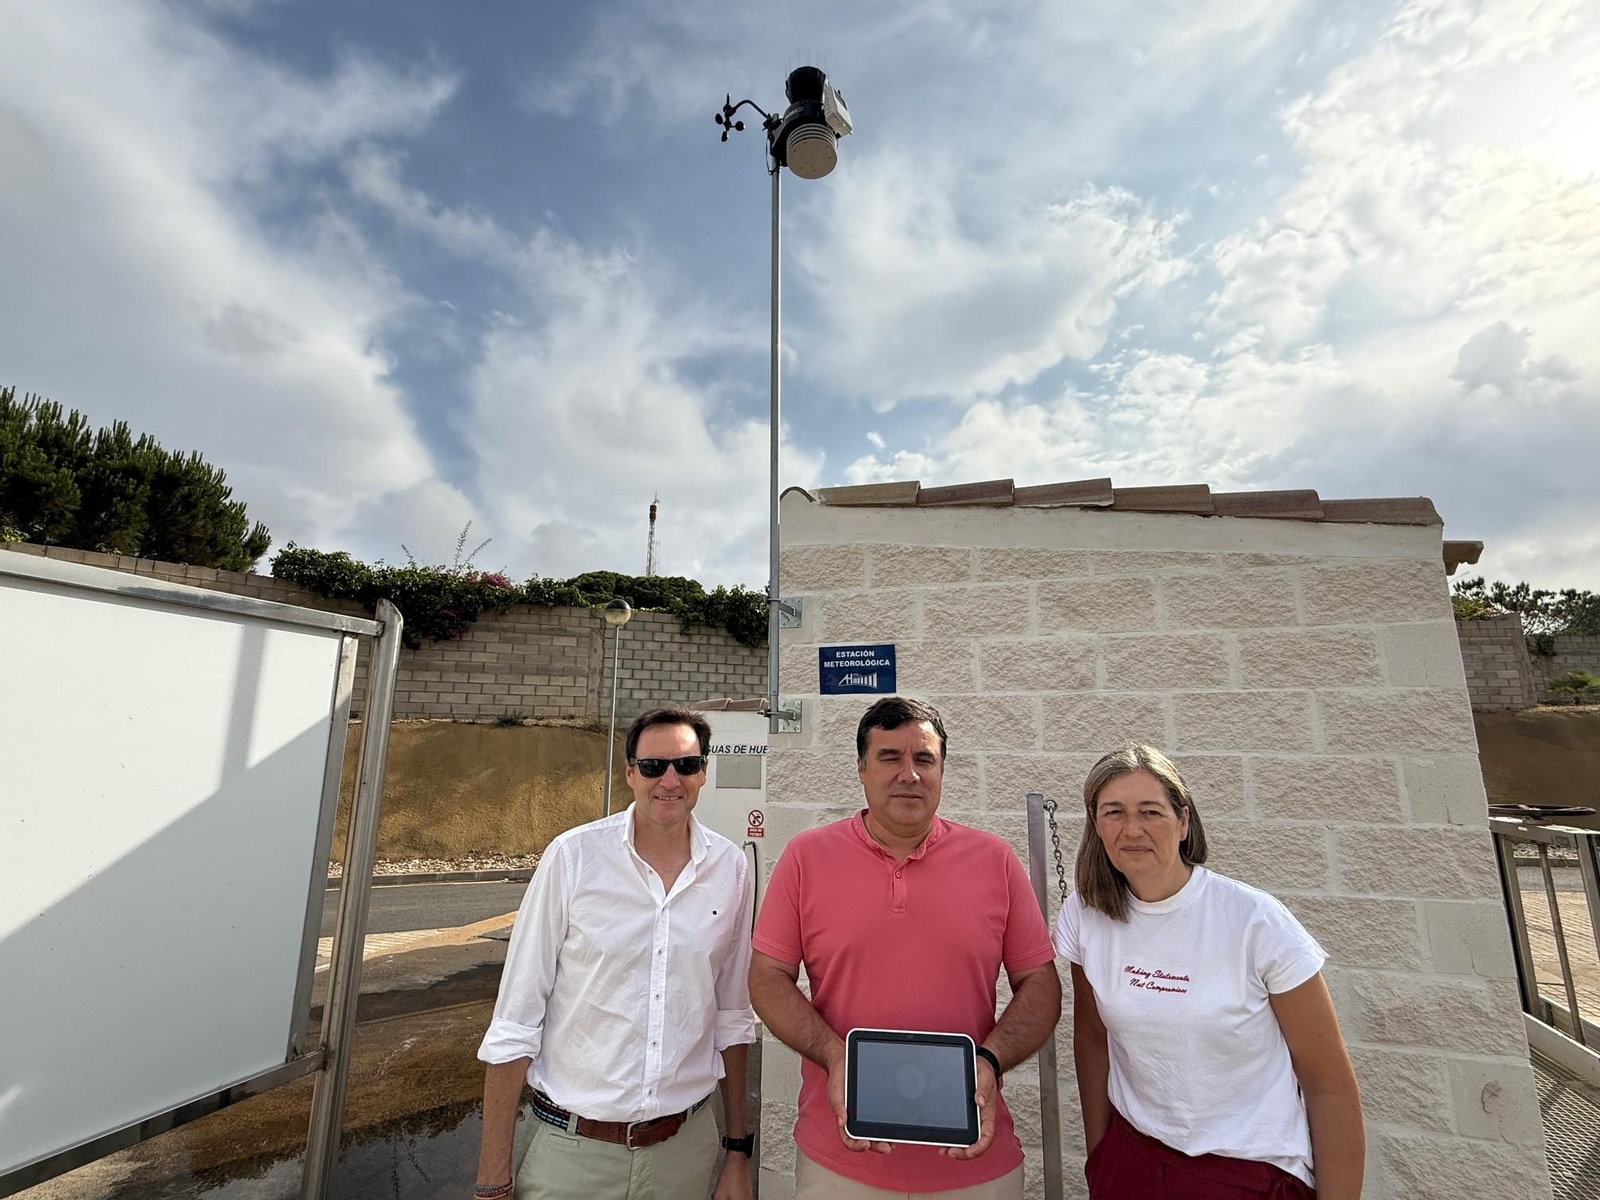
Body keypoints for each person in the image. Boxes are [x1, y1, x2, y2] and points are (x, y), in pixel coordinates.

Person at [750, 696, 1062, 1199]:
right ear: (861, 769)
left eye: (924, 759)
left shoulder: (994, 861)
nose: (908, 774)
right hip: (843, 1164)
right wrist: (834, 1057)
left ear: (941, 769)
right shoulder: (807, 857)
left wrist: (992, 1060)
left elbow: (1041, 983)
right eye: (890, 757)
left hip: (975, 1165)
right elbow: (766, 977)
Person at [1055, 744, 1364, 1200]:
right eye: (1114, 811)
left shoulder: (1256, 922)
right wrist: (1102, 1156)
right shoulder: (1085, 916)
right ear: (1095, 824)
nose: (1132, 828)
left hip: (1248, 1169)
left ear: (1183, 821)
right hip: (1134, 1159)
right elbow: (1092, 1038)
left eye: (1151, 811)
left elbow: (1329, 1087)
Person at [474, 705, 756, 1200]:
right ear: (629, 773)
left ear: (704, 773)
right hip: (573, 1154)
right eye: (653, 766)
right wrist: (492, 1181)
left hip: (684, 1155)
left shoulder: (731, 869)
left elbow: (732, 1016)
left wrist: (737, 1150)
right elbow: (515, 1022)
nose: (670, 779)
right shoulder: (573, 857)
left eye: (686, 765)